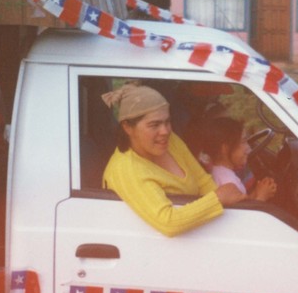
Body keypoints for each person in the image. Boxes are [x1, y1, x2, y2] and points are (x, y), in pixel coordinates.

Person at [102, 82, 244, 237]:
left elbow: (202, 180)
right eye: (154, 125)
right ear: (127, 127)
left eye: (167, 122)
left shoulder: (169, 141)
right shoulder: (125, 169)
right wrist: (218, 198)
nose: (165, 131)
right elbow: (168, 222)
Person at [202, 117, 277, 202]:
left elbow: (243, 203)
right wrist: (262, 197)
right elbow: (248, 214)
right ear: (225, 149)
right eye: (243, 142)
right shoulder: (228, 182)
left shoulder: (219, 173)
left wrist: (257, 192)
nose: (248, 148)